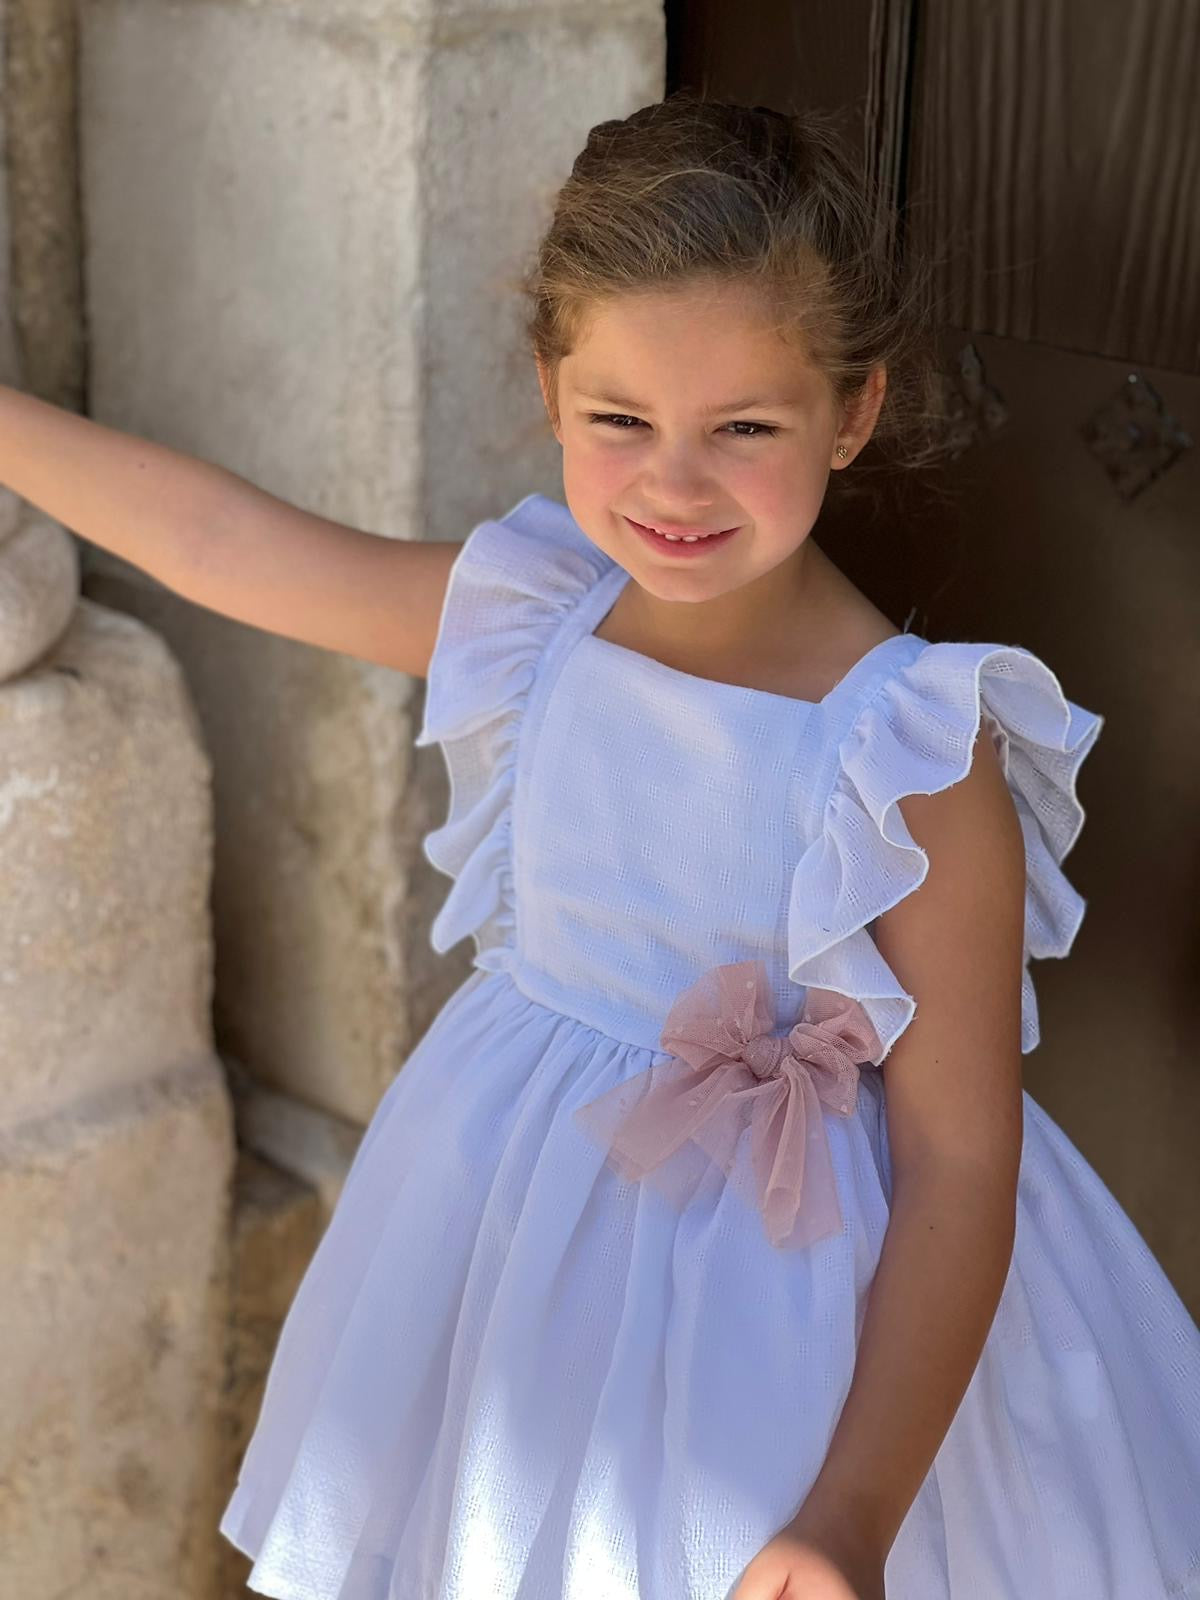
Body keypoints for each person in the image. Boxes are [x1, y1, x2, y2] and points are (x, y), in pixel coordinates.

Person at [4, 92, 1199, 1600]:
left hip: (798, 1325)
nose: (673, 485)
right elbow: (228, 546)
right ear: (552, 391)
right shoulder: (534, 623)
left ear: (855, 410)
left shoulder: (909, 753)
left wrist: (852, 1513)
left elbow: (962, 1159)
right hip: (521, 1241)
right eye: (618, 420)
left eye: (744, 429)